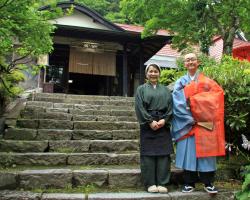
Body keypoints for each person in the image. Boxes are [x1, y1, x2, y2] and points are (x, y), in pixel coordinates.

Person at [171, 52, 225, 194]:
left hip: (204, 123)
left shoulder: (208, 81)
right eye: (187, 60)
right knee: (188, 153)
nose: (190, 62)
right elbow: (176, 100)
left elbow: (217, 96)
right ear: (184, 64)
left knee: (207, 154)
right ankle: (190, 183)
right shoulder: (180, 82)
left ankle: (208, 183)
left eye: (192, 59)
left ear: (198, 62)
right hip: (187, 123)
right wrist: (189, 117)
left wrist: (196, 103)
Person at [135, 63, 174, 193]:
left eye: (155, 71)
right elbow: (139, 107)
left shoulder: (166, 90)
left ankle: (162, 183)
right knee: (148, 154)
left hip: (163, 122)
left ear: (159, 73)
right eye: (150, 71)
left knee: (164, 154)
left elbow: (171, 107)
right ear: (146, 74)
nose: (153, 74)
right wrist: (150, 121)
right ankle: (150, 183)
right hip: (148, 123)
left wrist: (164, 120)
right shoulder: (141, 89)